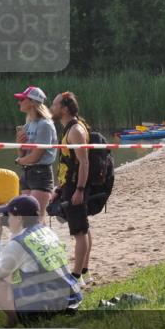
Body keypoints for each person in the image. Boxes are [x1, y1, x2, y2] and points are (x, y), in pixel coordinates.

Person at [0, 195, 82, 329]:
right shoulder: (48, 232)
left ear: (19, 218)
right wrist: (14, 229)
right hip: (70, 302)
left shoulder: (18, 243)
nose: (6, 218)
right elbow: (15, 261)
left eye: (9, 215)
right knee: (11, 276)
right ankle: (9, 326)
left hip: (44, 312)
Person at [51, 91, 92, 282]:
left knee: (79, 232)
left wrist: (80, 190)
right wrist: (59, 189)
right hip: (69, 185)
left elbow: (83, 162)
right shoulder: (69, 128)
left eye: (55, 104)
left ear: (65, 109)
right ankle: (84, 271)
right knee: (83, 229)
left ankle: (76, 276)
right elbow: (67, 162)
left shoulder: (75, 130)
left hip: (76, 186)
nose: (52, 108)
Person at [13, 86, 57, 216]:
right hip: (27, 173)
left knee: (36, 218)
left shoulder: (45, 124)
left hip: (41, 173)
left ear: (32, 102)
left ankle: (46, 237)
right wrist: (19, 145)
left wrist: (19, 161)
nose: (19, 102)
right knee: (27, 217)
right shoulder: (27, 124)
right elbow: (24, 153)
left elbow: (36, 156)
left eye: (22, 99)